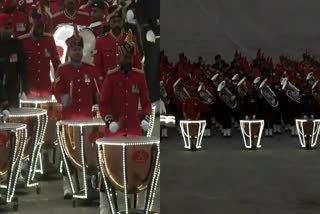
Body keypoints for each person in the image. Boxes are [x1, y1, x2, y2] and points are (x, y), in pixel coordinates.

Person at [98, 30, 151, 214]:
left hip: (134, 131)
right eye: (123, 57)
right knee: (107, 170)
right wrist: (109, 120)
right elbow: (103, 103)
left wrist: (145, 117)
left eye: (129, 57)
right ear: (118, 58)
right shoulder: (111, 77)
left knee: (139, 169)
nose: (126, 60)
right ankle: (104, 206)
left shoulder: (139, 76)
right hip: (114, 132)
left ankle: (140, 207)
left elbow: (145, 101)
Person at [54, 24, 100, 198]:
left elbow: (98, 91)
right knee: (69, 153)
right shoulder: (62, 69)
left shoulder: (90, 70)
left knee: (88, 152)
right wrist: (65, 99)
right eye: (74, 50)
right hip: (69, 118)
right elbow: (57, 91)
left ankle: (89, 184)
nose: (77, 53)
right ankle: (68, 185)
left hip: (86, 118)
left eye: (79, 49)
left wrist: (98, 102)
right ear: (69, 51)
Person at [94, 4, 142, 84]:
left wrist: (136, 81)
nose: (116, 24)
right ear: (109, 23)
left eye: (119, 21)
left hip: (128, 82)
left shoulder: (131, 39)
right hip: (108, 84)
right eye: (114, 21)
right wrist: (101, 80)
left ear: (123, 22)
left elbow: (137, 63)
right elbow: (97, 65)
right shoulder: (100, 41)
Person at [19, 7, 61, 96]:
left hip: (45, 88)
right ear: (31, 23)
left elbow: (57, 63)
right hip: (28, 89)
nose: (40, 29)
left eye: (42, 26)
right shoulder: (22, 41)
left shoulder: (49, 40)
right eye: (37, 26)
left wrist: (58, 84)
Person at [0, 13, 28, 118]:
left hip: (12, 90)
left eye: (10, 28)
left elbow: (23, 68)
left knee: (14, 119)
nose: (9, 31)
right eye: (6, 28)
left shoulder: (17, 44)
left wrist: (24, 88)